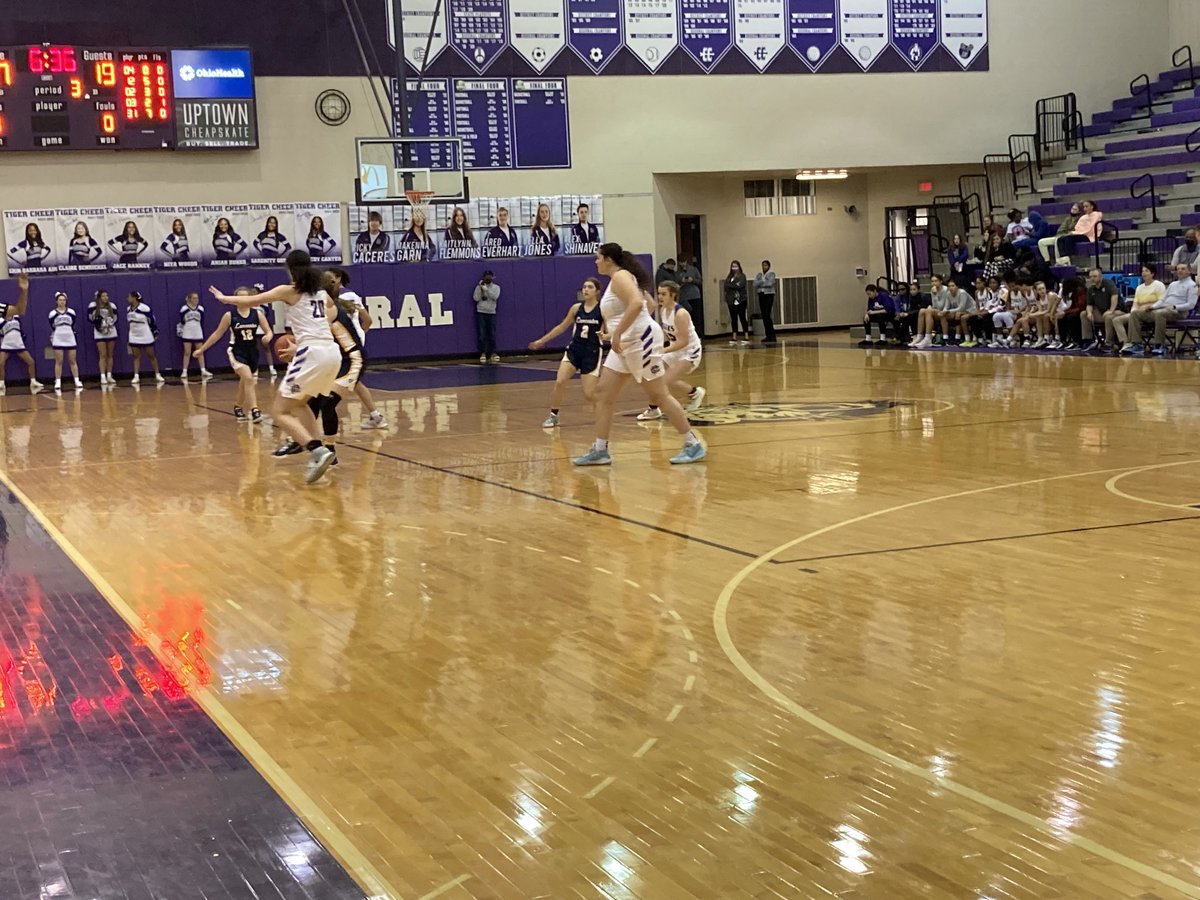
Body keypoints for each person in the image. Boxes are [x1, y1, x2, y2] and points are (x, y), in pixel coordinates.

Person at [209, 249, 339, 484]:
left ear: (290, 269)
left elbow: (253, 300)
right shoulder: (321, 293)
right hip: (331, 352)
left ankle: (316, 451)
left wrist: (225, 299)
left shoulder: (288, 291)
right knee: (299, 404)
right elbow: (333, 310)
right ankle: (323, 450)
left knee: (279, 412)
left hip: (311, 353)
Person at [573, 243, 706, 466]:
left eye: (598, 258)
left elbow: (637, 304)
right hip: (625, 344)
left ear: (607, 259)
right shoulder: (617, 280)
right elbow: (648, 305)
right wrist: (613, 334)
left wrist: (618, 334)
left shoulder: (621, 276)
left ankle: (692, 444)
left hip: (640, 342)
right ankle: (600, 449)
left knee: (659, 394)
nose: (595, 262)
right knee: (603, 394)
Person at [276, 272, 366, 467]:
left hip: (351, 360)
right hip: (333, 360)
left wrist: (297, 348)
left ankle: (330, 450)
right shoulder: (319, 309)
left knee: (327, 403)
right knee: (310, 401)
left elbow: (318, 338)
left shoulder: (328, 311)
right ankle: (304, 442)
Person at [529, 276, 605, 428]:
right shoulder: (576, 308)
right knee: (560, 381)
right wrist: (542, 341)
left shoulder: (602, 310)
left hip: (592, 352)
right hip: (574, 350)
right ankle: (553, 416)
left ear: (597, 291)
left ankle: (604, 414)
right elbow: (562, 327)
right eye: (584, 287)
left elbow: (611, 331)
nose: (586, 290)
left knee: (589, 395)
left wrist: (609, 337)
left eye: (590, 287)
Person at [191, 287, 272, 422]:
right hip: (236, 351)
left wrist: (268, 337)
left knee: (245, 380)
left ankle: (238, 406)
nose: (242, 299)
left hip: (252, 351)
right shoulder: (230, 315)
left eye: (245, 297)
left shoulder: (257, 314)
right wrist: (202, 350)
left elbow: (268, 331)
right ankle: (255, 410)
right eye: (239, 297)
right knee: (248, 378)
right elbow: (217, 334)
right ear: (235, 299)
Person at [636, 280, 705, 419]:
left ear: (673, 295)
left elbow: (684, 342)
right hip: (675, 348)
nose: (660, 297)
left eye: (664, 294)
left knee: (666, 379)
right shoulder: (663, 311)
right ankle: (654, 409)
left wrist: (663, 350)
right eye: (659, 294)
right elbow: (668, 335)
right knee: (652, 375)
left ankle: (694, 392)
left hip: (690, 351)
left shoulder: (681, 314)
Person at [327, 267, 386, 429]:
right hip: (349, 341)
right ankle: (375, 416)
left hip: (346, 343)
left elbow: (367, 320)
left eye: (330, 278)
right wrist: (360, 335)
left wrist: (357, 336)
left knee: (339, 380)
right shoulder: (347, 295)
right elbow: (367, 321)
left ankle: (328, 414)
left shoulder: (341, 297)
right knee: (353, 382)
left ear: (338, 279)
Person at [1120, 263, 1197, 355]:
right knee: (1135, 313)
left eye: (1183, 269)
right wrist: (1152, 307)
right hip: (1163, 310)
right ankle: (1136, 344)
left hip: (1178, 312)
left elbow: (1191, 304)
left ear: (1189, 271)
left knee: (1160, 313)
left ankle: (1159, 344)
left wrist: (1175, 307)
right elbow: (1163, 300)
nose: (1180, 271)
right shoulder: (1173, 284)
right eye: (1178, 269)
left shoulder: (1192, 285)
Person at [0, 274, 43, 394]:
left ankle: (32, 381)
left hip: (17, 343)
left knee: (30, 361)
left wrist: (24, 291)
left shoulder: (3, 310)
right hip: (6, 343)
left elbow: (19, 311)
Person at [1108, 264, 1164, 352]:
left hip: (1152, 312)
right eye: (1142, 271)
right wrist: (1133, 310)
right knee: (1116, 320)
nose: (1143, 273)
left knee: (1134, 315)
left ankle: (1136, 343)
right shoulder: (1139, 287)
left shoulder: (1159, 285)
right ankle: (1126, 343)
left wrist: (1149, 306)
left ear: (1152, 274)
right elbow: (1135, 303)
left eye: (1146, 271)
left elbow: (1161, 301)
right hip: (1138, 313)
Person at [1040, 199, 1102, 264]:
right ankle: (1063, 258)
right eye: (1084, 207)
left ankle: (1068, 257)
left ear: (1092, 207)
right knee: (1060, 239)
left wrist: (1073, 233)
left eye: (1086, 206)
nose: (1085, 208)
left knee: (1068, 238)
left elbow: (1088, 229)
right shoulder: (1083, 217)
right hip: (1079, 234)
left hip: (1088, 236)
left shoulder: (1096, 215)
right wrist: (1074, 232)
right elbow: (1078, 228)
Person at [125, 290, 164, 385]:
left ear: (134, 298)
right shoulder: (128, 309)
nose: (127, 298)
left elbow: (152, 320)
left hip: (145, 334)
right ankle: (136, 376)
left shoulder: (144, 308)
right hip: (134, 335)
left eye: (129, 296)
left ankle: (157, 374)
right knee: (136, 356)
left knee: (151, 355)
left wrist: (155, 332)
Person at [48, 291, 82, 391]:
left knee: (72, 360)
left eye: (64, 300)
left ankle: (77, 380)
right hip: (58, 336)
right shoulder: (52, 313)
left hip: (70, 336)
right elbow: (51, 325)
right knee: (59, 361)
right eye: (60, 300)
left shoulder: (71, 312)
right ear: (56, 301)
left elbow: (73, 323)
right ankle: (58, 381)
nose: (62, 302)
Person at [1081, 268, 1120, 351]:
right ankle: (1088, 340)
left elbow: (1114, 297)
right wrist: (1089, 313)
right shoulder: (1091, 289)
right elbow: (1089, 304)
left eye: (1095, 276)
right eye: (1090, 277)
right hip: (1102, 313)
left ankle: (1109, 343)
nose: (1092, 279)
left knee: (1108, 316)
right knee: (1084, 314)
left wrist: (1111, 310)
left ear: (1101, 277)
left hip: (1118, 311)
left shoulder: (1109, 284)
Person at [177, 292, 212, 382]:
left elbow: (202, 320)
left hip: (197, 332)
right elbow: (181, 320)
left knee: (200, 351)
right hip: (187, 331)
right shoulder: (184, 309)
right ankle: (184, 371)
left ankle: (203, 370)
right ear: (189, 299)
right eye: (194, 298)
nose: (196, 300)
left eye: (197, 298)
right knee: (187, 352)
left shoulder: (200, 309)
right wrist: (181, 329)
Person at [89, 289, 119, 385]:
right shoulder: (93, 306)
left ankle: (109, 375)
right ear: (99, 297)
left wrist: (109, 323)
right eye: (103, 296)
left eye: (106, 295)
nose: (105, 297)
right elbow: (89, 318)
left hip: (111, 331)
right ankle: (102, 376)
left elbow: (116, 318)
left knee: (110, 354)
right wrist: (98, 323)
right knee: (103, 355)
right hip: (99, 332)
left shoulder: (112, 306)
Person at [474, 270, 501, 363]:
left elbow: (495, 297)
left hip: (491, 312)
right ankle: (483, 353)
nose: (488, 278)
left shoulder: (496, 287)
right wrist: (481, 289)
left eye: (489, 277)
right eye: (486, 277)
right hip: (481, 312)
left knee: (492, 334)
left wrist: (487, 290)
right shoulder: (479, 287)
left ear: (493, 277)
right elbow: (476, 298)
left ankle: (493, 353)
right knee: (482, 334)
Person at [676, 256, 704, 336]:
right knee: (687, 317)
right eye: (681, 262)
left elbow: (700, 281)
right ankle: (688, 335)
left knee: (697, 317)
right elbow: (675, 284)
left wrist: (693, 280)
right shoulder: (677, 273)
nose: (682, 264)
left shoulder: (693, 269)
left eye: (684, 261)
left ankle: (698, 335)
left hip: (695, 295)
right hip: (684, 297)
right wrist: (682, 281)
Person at [724, 260, 749, 344]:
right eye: (733, 266)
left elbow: (740, 285)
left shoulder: (742, 276)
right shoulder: (729, 277)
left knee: (742, 317)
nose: (734, 268)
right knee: (733, 318)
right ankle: (734, 337)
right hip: (731, 300)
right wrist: (734, 285)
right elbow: (726, 286)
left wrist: (732, 286)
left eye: (736, 266)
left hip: (741, 299)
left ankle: (746, 336)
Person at [753, 260, 777, 343]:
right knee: (764, 315)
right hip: (761, 295)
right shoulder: (759, 275)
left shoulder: (771, 274)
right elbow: (755, 284)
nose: (764, 267)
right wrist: (762, 281)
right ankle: (768, 335)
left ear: (769, 266)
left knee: (767, 314)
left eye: (766, 265)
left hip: (769, 295)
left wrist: (761, 283)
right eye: (763, 265)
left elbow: (770, 283)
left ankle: (772, 335)